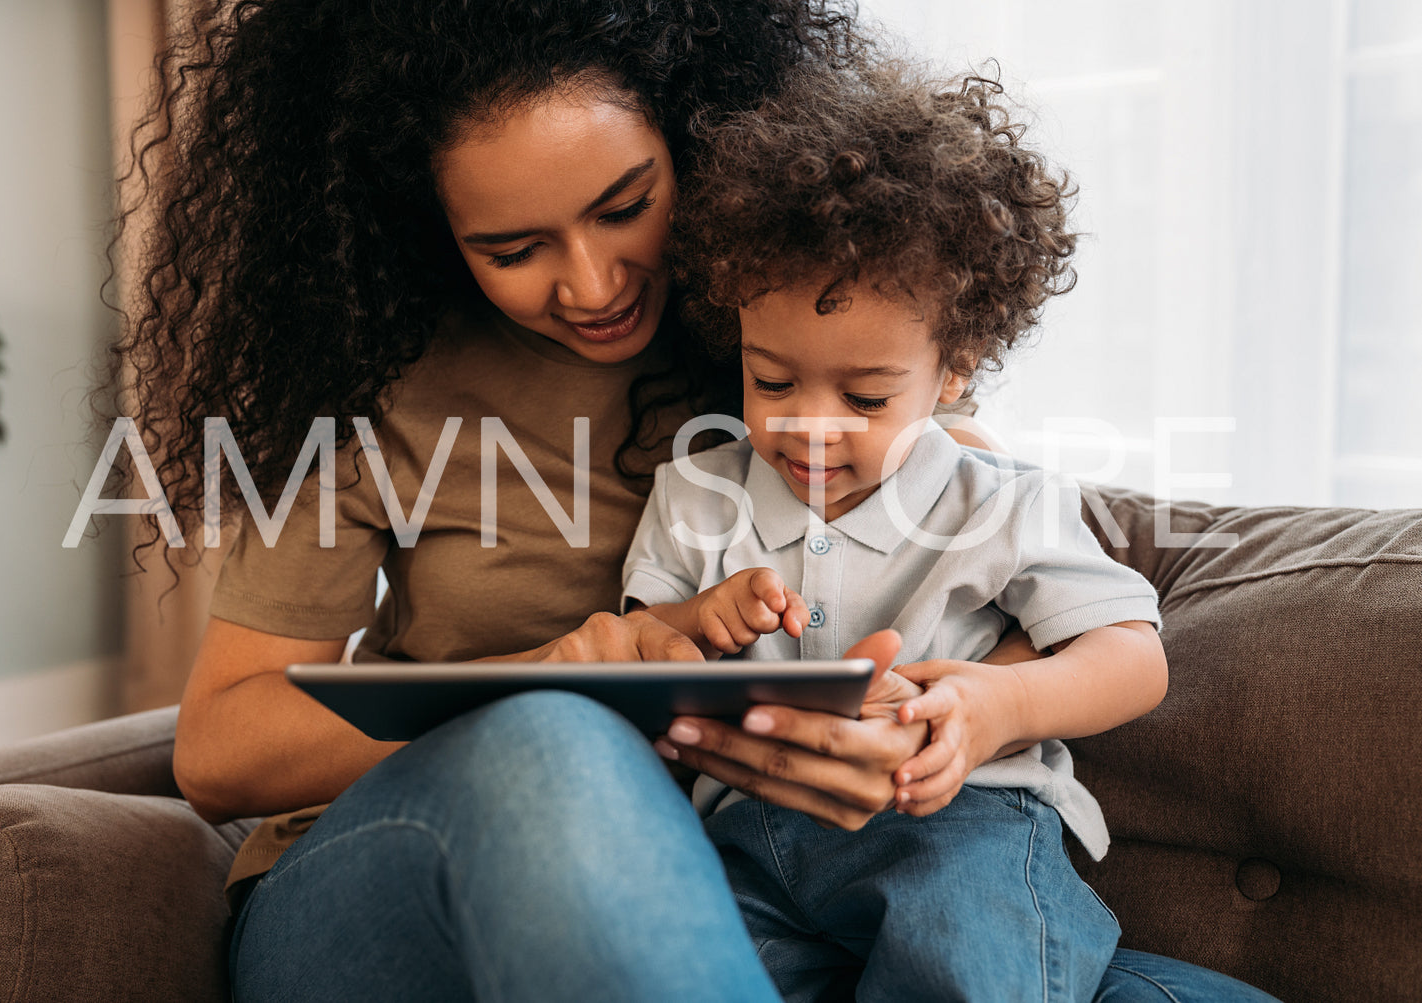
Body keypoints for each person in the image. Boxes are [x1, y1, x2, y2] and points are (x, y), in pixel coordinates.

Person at [110, 1, 1279, 999]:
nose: (592, 281)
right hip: (390, 883)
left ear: (696, 132)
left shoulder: (795, 325)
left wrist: (909, 725)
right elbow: (221, 745)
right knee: (553, 737)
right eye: (511, 245)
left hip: (744, 877)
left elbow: (994, 587)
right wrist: (554, 684)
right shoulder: (368, 382)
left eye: (624, 205)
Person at [622, 61, 1170, 1001]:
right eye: (773, 380)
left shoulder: (997, 498)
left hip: (954, 824)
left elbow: (1130, 653)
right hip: (741, 842)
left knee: (967, 969)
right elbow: (633, 661)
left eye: (864, 396)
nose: (808, 425)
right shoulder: (693, 493)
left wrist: (999, 707)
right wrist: (698, 619)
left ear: (952, 369)